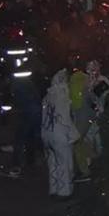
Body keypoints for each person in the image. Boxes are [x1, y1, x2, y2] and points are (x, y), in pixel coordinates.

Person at [41, 69, 79, 199]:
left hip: (48, 133)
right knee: (64, 162)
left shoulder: (48, 95)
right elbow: (65, 118)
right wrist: (72, 133)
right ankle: (64, 192)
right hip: (60, 134)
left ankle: (54, 188)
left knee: (53, 162)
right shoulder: (63, 94)